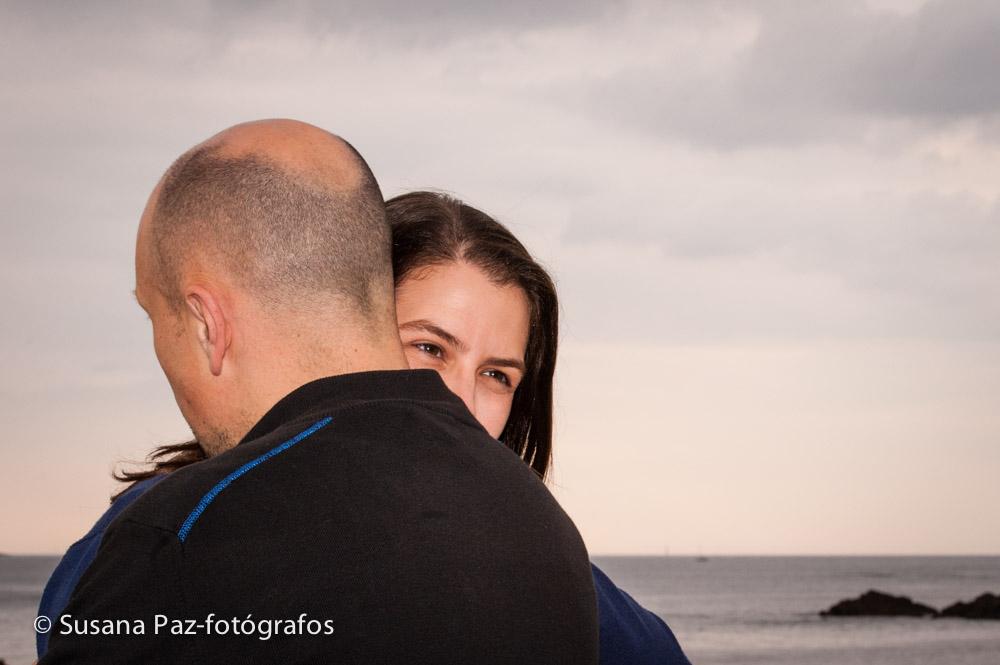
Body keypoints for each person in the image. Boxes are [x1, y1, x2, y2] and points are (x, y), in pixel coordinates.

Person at [40, 185, 689, 663]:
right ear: (351, 325)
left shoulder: (535, 560)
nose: (456, 397)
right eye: (429, 347)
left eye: (497, 375)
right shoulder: (159, 530)